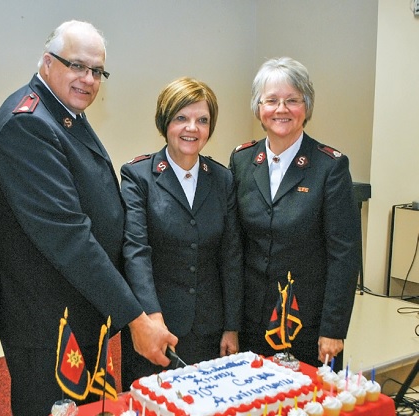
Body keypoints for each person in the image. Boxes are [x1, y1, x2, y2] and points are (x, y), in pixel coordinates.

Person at [0, 20, 178, 416]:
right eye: (77, 66)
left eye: (97, 71)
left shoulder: (62, 112)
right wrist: (135, 318)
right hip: (47, 323)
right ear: (46, 61)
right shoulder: (29, 125)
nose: (88, 79)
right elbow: (70, 238)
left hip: (77, 309)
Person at [228, 57, 361, 369]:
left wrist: (333, 329)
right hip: (251, 323)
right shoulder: (242, 161)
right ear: (258, 108)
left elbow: (345, 254)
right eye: (271, 100)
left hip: (306, 324)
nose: (281, 109)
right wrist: (230, 323)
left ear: (307, 106)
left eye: (292, 100)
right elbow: (233, 246)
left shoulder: (330, 167)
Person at [119, 77, 243, 389]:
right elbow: (136, 252)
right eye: (181, 118)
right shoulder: (138, 176)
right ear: (165, 122)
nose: (192, 128)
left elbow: (230, 256)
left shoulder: (222, 179)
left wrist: (231, 327)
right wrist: (152, 318)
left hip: (209, 329)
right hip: (155, 329)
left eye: (202, 120)